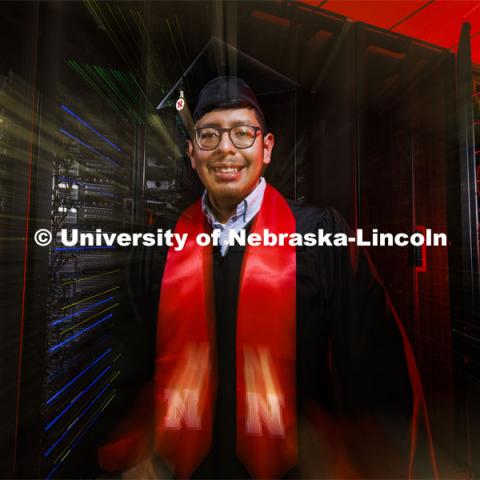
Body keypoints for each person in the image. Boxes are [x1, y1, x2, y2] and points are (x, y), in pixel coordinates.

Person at [98, 77, 437, 479]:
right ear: (192, 153)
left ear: (267, 148)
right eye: (209, 135)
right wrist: (135, 452)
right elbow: (129, 363)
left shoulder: (319, 235)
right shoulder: (158, 247)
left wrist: (363, 456)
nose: (226, 148)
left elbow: (378, 368)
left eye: (243, 133)